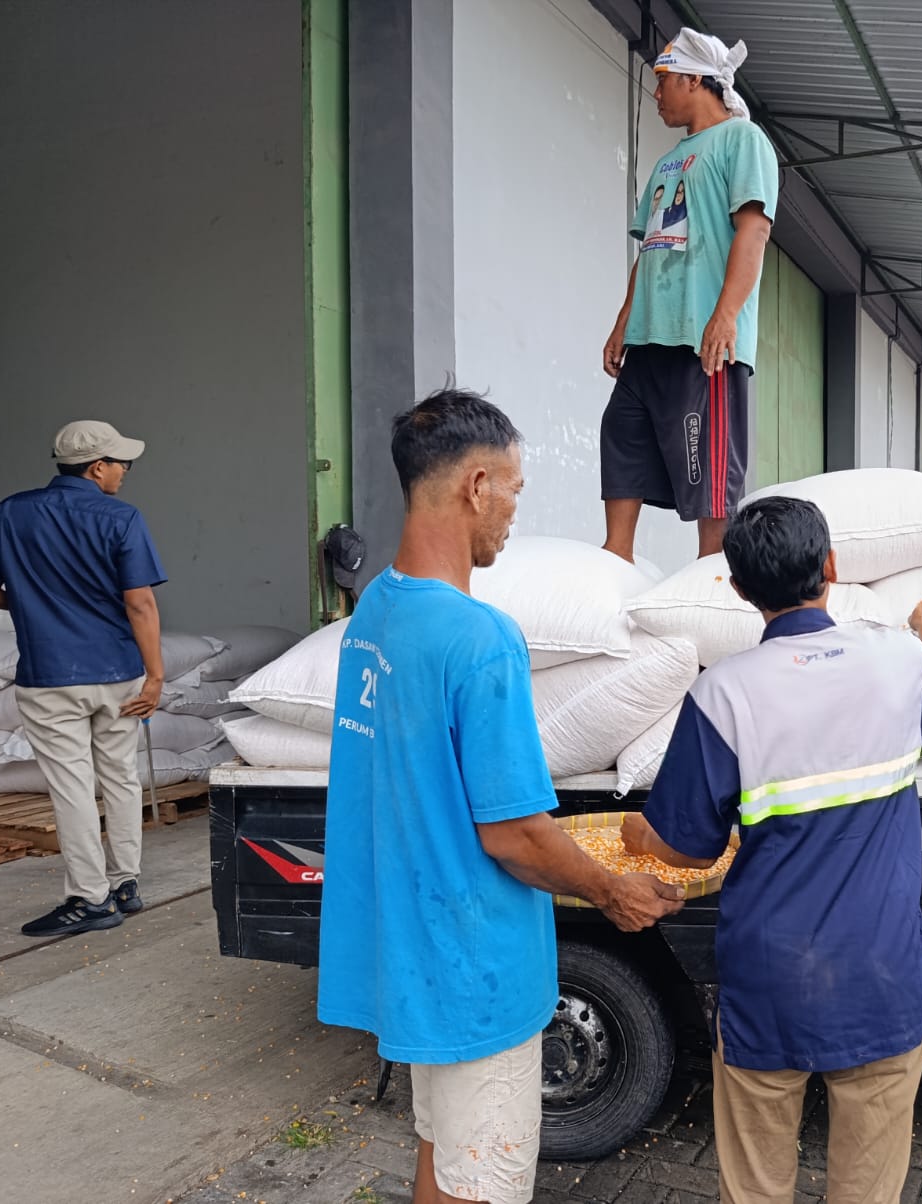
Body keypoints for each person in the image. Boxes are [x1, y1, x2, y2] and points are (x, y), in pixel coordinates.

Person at [316, 388, 686, 1204]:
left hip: (413, 948)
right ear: (476, 485)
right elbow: (514, 835)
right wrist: (612, 889)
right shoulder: (481, 641)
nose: (515, 513)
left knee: (442, 1154)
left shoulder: (376, 611)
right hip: (475, 961)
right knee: (482, 1177)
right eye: (514, 490)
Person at [622, 496, 922, 1203]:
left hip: (771, 983)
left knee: (756, 1187)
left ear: (738, 589)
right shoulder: (901, 663)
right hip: (882, 977)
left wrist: (637, 835)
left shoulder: (722, 696)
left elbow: (684, 848)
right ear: (830, 567)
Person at [0, 420, 165, 938]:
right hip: (118, 671)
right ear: (97, 467)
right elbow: (139, 602)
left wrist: (30, 604)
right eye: (122, 463)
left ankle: (90, 899)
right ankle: (124, 885)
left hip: (49, 674)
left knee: (73, 787)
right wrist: (155, 677)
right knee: (119, 777)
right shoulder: (121, 517)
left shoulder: (12, 512)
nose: (126, 472)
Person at [600, 27, 778, 562]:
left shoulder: (743, 141)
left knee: (712, 492)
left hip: (705, 346)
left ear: (695, 79)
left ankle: (714, 596)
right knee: (619, 439)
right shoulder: (666, 163)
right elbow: (651, 248)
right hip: (650, 342)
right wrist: (623, 321)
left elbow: (754, 232)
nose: (656, 94)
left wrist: (725, 317)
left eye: (663, 81)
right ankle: (616, 561)